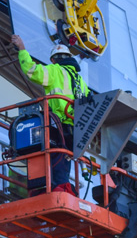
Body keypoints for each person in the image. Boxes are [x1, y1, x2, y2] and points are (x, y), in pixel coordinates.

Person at [10, 34, 89, 195]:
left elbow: (32, 71)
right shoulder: (81, 81)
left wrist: (22, 49)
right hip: (76, 129)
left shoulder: (55, 70)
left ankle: (55, 190)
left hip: (58, 123)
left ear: (53, 60)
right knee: (64, 158)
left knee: (54, 157)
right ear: (69, 58)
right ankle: (61, 189)